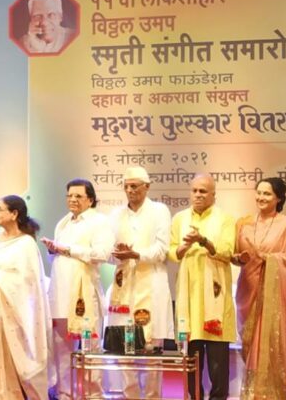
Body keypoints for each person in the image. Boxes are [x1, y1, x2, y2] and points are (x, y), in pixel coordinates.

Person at [231, 177, 286, 400]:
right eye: (259, 192)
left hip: (275, 296)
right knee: (249, 343)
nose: (261, 197)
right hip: (248, 289)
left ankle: (275, 394)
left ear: (278, 199)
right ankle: (253, 393)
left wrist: (268, 258)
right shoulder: (243, 223)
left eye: (267, 194)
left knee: (273, 343)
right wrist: (238, 258)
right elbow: (235, 255)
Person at [40, 179, 113, 400]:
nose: (72, 199)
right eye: (69, 195)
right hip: (60, 294)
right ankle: (65, 394)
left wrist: (67, 248)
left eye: (78, 196)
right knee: (62, 351)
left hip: (85, 295)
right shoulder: (63, 223)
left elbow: (102, 254)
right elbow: (58, 260)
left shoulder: (100, 222)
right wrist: (53, 250)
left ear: (90, 200)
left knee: (90, 349)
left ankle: (93, 395)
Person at [106, 167, 173, 398]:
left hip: (151, 284)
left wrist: (136, 254)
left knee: (151, 348)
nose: (130, 190)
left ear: (147, 186)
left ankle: (153, 396)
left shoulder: (159, 211)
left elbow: (162, 249)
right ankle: (130, 395)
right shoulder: (116, 215)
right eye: (126, 186)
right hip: (124, 285)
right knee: (125, 349)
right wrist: (118, 253)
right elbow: (108, 253)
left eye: (134, 186)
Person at [0, 195, 51, 399]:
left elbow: (28, 279)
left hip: (14, 312)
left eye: (0, 209)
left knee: (12, 359)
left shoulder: (26, 244)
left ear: (14, 214)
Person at [169, 174, 235, 400]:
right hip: (188, 298)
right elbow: (172, 252)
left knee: (218, 366)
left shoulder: (225, 219)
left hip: (215, 298)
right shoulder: (180, 218)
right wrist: (184, 246)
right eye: (195, 190)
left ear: (213, 195)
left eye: (203, 191)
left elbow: (227, 251)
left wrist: (203, 241)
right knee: (191, 361)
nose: (198, 195)